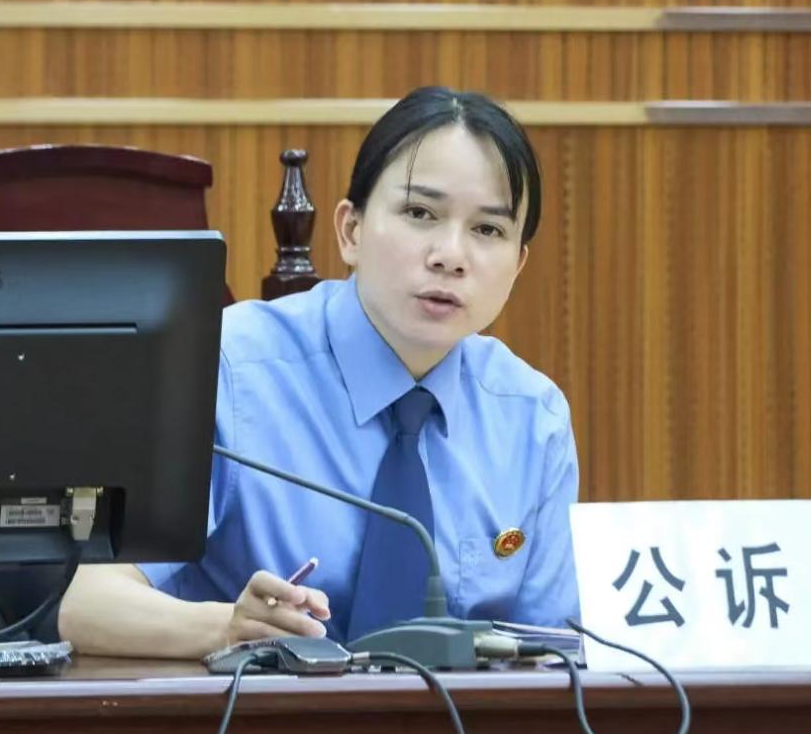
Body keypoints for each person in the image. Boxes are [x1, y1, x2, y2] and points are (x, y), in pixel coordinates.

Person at [58, 86, 579, 658]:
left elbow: (557, 653)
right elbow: (87, 605)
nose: (450, 256)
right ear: (350, 231)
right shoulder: (226, 369)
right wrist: (226, 629)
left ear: (518, 264)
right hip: (244, 712)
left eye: (488, 230)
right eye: (420, 213)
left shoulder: (533, 419)